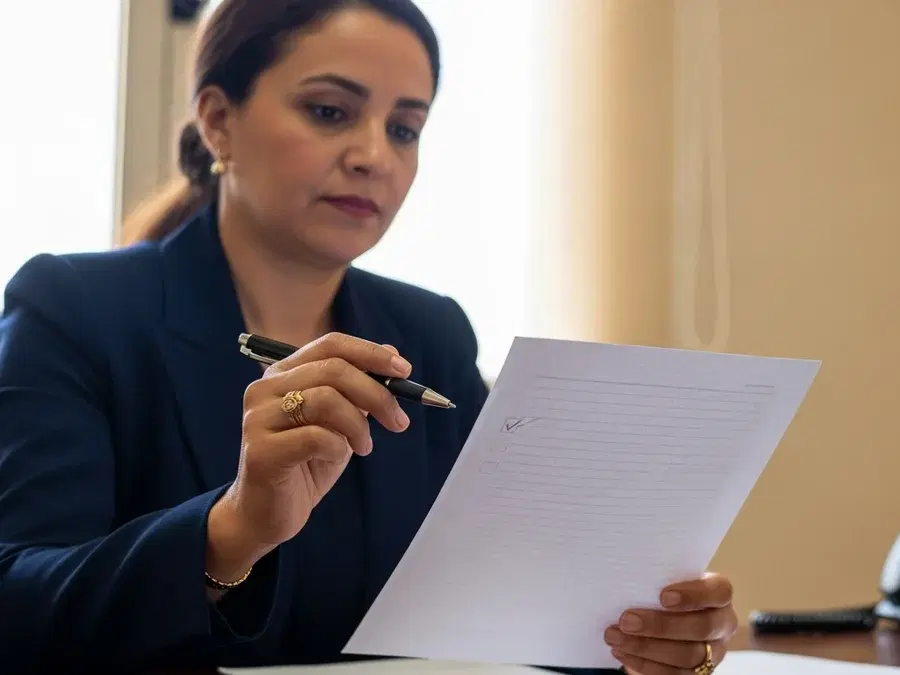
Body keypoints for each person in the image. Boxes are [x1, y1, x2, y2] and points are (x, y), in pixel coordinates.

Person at [0, 1, 739, 673]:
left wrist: (637, 634)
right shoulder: (76, 308)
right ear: (219, 120)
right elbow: (17, 604)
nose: (373, 155)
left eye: (405, 128)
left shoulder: (429, 333)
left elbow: (496, 607)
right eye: (329, 111)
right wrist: (230, 532)